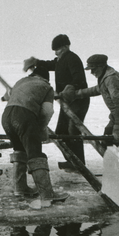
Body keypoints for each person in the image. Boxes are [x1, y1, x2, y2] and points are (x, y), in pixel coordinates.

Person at [1, 65, 69, 209]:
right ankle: (47, 194)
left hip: (6, 116)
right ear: (46, 78)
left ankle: (20, 188)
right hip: (24, 116)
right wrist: (41, 128)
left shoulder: (21, 81)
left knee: (19, 149)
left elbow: (8, 96)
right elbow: (47, 111)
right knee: (35, 153)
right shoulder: (46, 87)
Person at [23, 34, 89, 171]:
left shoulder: (72, 58)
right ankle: (72, 160)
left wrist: (71, 86)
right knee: (61, 131)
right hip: (67, 101)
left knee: (73, 131)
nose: (56, 52)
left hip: (78, 101)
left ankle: (78, 163)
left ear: (65, 47)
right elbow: (51, 64)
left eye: (58, 49)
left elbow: (79, 77)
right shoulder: (61, 59)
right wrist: (36, 62)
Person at [61, 54, 119, 147]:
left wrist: (118, 127)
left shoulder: (112, 79)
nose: (92, 72)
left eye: (93, 69)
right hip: (118, 114)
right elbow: (98, 89)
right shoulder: (105, 76)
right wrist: (76, 94)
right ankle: (111, 160)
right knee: (108, 140)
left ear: (101, 66)